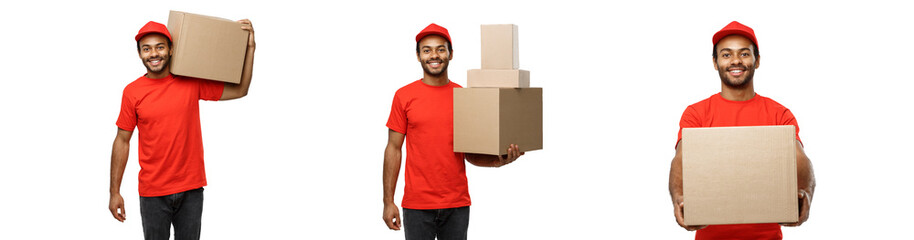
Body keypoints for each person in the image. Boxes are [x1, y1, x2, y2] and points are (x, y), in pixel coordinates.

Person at [108, 20, 256, 240]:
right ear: (139, 54)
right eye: (146, 49)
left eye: (160, 46)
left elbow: (241, 89)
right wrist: (114, 192)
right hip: (153, 192)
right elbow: (122, 140)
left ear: (171, 49)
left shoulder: (190, 81)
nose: (153, 53)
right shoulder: (132, 92)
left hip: (191, 189)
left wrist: (250, 48)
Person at [667, 21, 816, 240]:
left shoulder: (779, 113)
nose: (736, 61)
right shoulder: (696, 113)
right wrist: (679, 198)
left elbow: (800, 159)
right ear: (715, 63)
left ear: (757, 61)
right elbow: (680, 160)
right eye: (726, 55)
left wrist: (806, 194)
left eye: (744, 54)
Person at [382, 23, 524, 240]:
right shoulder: (404, 96)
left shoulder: (464, 97)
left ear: (451, 54)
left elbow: (470, 153)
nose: (434, 55)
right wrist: (388, 201)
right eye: (427, 50)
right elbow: (393, 149)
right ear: (418, 56)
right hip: (417, 205)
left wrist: (499, 160)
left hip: (456, 204)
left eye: (440, 49)